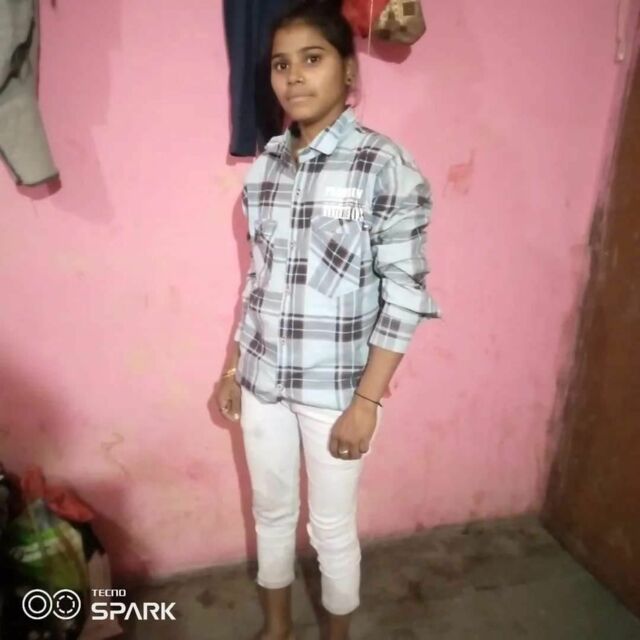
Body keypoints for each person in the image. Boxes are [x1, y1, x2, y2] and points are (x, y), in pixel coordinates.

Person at [214, 1, 440, 638]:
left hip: (338, 393)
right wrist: (233, 367)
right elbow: (259, 280)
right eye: (281, 64)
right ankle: (278, 629)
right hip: (263, 381)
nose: (293, 77)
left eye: (311, 59)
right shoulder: (265, 169)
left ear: (347, 70)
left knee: (332, 527)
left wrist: (367, 402)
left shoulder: (382, 165)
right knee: (271, 512)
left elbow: (405, 293)